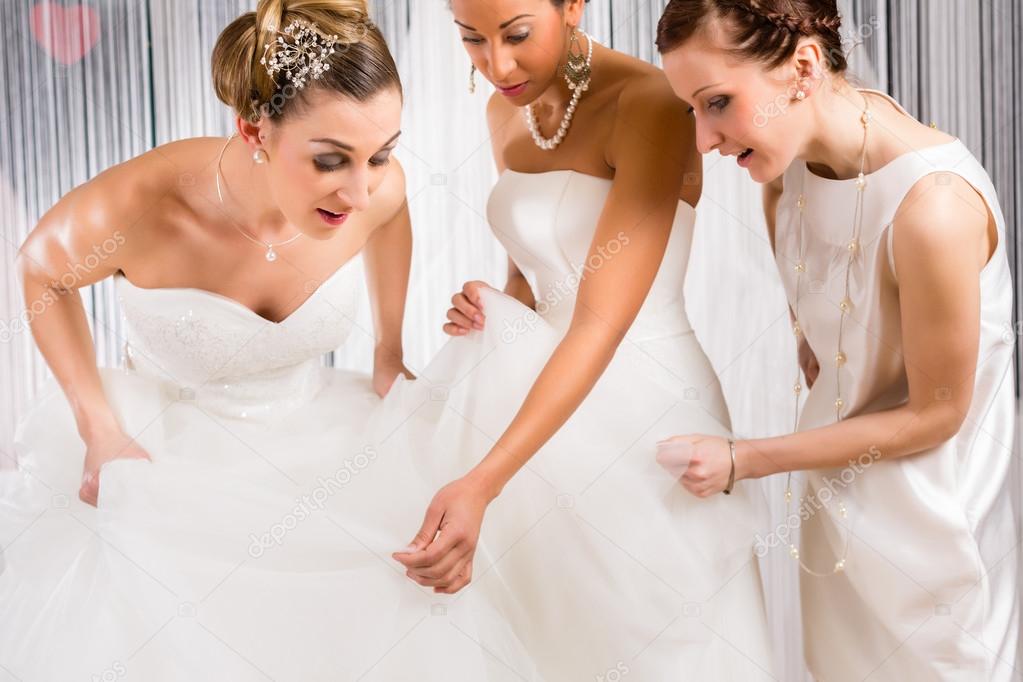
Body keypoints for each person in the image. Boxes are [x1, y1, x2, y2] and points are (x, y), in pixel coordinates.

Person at [0, 1, 531, 679]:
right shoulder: (148, 203)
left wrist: (387, 352)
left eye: (381, 154)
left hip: (321, 435)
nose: (360, 191)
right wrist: (97, 426)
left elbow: (390, 218)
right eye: (331, 160)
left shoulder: (376, 192)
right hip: (171, 452)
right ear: (253, 128)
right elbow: (43, 272)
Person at [389, 0, 776, 678]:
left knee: (652, 640)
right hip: (533, 398)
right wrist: (493, 306)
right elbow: (534, 283)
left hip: (644, 406)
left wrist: (484, 481)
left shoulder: (651, 104)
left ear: (572, 6)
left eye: (515, 36)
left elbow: (599, 319)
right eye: (470, 40)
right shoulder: (504, 109)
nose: (495, 65)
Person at [656, 0, 1020, 679]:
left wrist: (744, 459)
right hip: (838, 530)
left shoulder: (932, 208)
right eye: (691, 111)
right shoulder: (782, 180)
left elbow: (938, 414)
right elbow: (827, 362)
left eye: (717, 103)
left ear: (802, 65)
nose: (703, 140)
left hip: (934, 545)